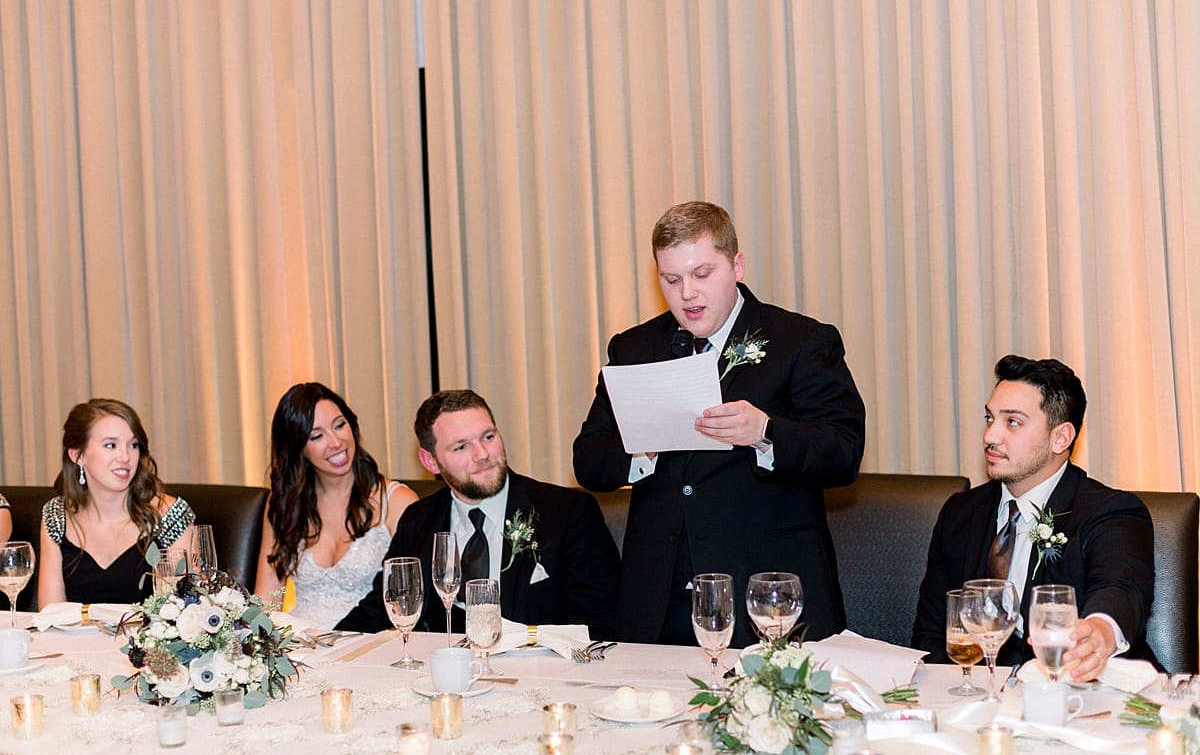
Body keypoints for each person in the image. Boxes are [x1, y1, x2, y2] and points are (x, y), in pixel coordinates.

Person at [573, 201, 866, 647]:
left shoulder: (801, 342)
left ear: (737, 266)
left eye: (702, 274)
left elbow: (843, 452)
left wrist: (766, 432)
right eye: (671, 280)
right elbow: (588, 460)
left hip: (766, 597)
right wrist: (640, 451)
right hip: (660, 600)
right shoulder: (633, 347)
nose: (687, 293)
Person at [912, 355, 1157, 681]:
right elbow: (931, 633)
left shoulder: (1110, 511)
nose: (990, 436)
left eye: (1012, 422)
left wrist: (1100, 630)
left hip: (1083, 700)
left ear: (1061, 438)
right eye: (990, 418)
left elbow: (1121, 587)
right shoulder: (960, 512)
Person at [337, 389, 621, 637]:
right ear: (430, 460)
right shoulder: (418, 519)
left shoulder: (567, 513)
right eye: (461, 447)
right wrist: (321, 647)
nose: (482, 454)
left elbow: (598, 624)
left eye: (488, 436)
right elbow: (384, 605)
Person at [254, 382, 418, 628]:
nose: (336, 441)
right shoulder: (284, 504)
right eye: (317, 436)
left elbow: (411, 601)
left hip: (372, 647)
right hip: (303, 650)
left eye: (340, 425)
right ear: (298, 449)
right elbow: (267, 603)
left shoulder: (397, 502)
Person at [39, 398, 195, 606]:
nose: (125, 456)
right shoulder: (56, 516)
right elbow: (51, 614)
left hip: (146, 639)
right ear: (77, 455)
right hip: (76, 640)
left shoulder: (170, 515)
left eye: (133, 445)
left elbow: (186, 612)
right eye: (110, 445)